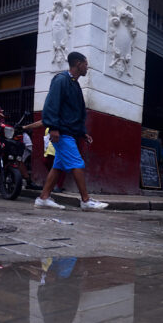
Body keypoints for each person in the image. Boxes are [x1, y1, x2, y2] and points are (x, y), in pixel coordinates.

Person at [35, 51, 108, 210]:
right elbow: (51, 105)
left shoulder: (74, 83)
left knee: (58, 166)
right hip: (62, 132)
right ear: (78, 63)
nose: (87, 67)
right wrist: (53, 127)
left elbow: (74, 113)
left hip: (69, 131)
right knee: (77, 163)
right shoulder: (61, 80)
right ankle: (86, 200)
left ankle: (43, 198)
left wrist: (82, 133)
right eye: (86, 64)